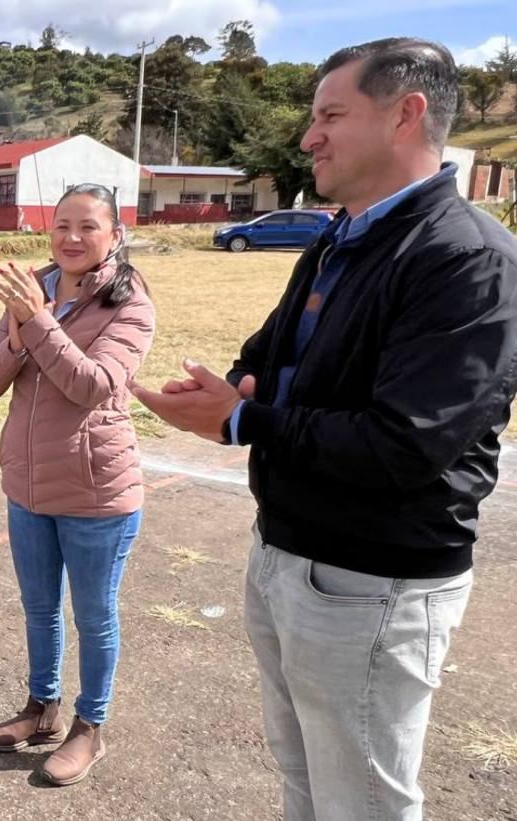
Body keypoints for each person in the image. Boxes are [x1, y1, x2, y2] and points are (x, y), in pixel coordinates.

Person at [132, 39, 517, 821]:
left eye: (329, 115)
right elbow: (269, 356)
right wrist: (227, 389)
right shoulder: (338, 238)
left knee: (364, 802)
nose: (308, 136)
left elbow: (406, 444)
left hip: (373, 584)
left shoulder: (467, 258)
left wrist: (242, 417)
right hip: (288, 556)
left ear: (406, 115)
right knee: (308, 783)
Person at [0, 184, 154, 785]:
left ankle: (89, 726)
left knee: (94, 616)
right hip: (27, 487)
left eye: (88, 227)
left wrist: (38, 320)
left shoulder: (130, 303)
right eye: (62, 226)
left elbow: (93, 385)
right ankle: (40, 708)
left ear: (115, 234)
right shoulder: (35, 289)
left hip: (96, 492)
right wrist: (22, 328)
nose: (72, 239)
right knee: (39, 609)